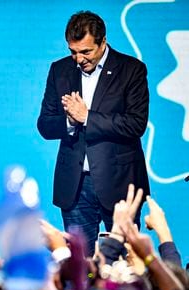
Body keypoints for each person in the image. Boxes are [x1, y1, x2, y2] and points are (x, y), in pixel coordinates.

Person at [37, 10, 150, 256]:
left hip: (119, 183)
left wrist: (87, 117)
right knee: (81, 268)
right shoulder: (60, 70)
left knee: (124, 264)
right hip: (75, 187)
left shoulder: (131, 70)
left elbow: (135, 124)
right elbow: (45, 124)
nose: (78, 59)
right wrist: (68, 120)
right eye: (73, 51)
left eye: (86, 51)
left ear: (103, 42)